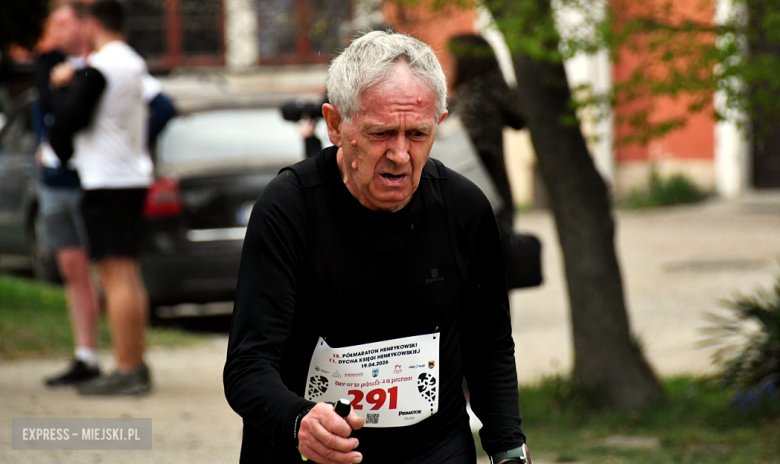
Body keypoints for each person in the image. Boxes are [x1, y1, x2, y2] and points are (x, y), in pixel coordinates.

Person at [224, 31, 531, 464]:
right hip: (311, 452)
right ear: (335, 125)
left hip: (434, 449)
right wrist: (299, 422)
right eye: (382, 133)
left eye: (418, 134)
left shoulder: (463, 209)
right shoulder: (289, 208)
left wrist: (508, 449)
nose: (401, 155)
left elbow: (490, 345)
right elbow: (247, 368)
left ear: (439, 124)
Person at [49, 0, 153, 396]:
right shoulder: (132, 62)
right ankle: (135, 363)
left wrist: (61, 87)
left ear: (91, 25)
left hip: (106, 180)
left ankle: (127, 368)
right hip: (129, 174)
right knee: (127, 273)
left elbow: (69, 121)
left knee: (114, 274)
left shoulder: (100, 67)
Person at [35, 1, 102, 387]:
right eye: (52, 24)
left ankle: (124, 357)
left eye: (63, 22)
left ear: (83, 24)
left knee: (103, 269)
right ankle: (85, 353)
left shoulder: (99, 67)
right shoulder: (48, 64)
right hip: (53, 180)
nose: (56, 30)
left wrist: (67, 86)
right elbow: (47, 112)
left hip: (89, 182)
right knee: (71, 266)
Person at [447, 34, 526, 240]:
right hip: (493, 197)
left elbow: (460, 150)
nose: (444, 66)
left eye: (450, 58)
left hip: (476, 199)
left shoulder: (472, 102)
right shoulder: (487, 94)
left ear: (464, 63)